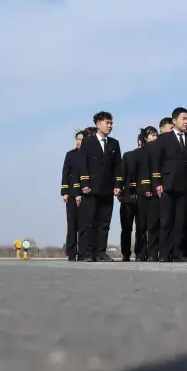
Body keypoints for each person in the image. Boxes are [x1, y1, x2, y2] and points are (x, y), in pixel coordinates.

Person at [152, 107, 187, 262]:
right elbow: (156, 162)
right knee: (166, 221)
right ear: (174, 121)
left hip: (185, 186)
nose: (186, 121)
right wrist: (157, 182)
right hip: (167, 185)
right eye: (183, 118)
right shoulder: (164, 138)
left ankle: (179, 253)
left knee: (181, 222)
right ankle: (164, 254)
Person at [76, 112, 122, 262]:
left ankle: (101, 252)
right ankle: (89, 253)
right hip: (91, 188)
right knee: (90, 222)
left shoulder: (114, 143)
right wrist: (84, 184)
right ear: (98, 124)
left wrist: (117, 185)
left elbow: (118, 167)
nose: (110, 126)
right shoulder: (88, 142)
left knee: (104, 222)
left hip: (107, 188)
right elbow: (82, 165)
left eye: (111, 123)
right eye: (107, 123)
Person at [117, 133, 144, 261]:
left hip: (144, 196)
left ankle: (140, 253)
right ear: (140, 141)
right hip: (128, 196)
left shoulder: (151, 156)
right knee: (126, 227)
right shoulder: (128, 156)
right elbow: (121, 174)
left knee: (142, 227)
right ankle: (125, 253)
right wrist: (119, 189)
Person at [60, 129, 85, 261]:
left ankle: (82, 252)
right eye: (77, 139)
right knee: (72, 224)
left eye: (81, 140)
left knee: (83, 225)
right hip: (70, 194)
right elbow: (65, 173)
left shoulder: (87, 155)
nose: (79, 142)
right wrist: (64, 192)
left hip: (84, 194)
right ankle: (71, 252)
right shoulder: (70, 155)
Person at [135, 126, 159, 261]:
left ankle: (153, 253)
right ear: (145, 138)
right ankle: (140, 252)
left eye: (156, 135)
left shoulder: (159, 151)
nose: (155, 138)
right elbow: (140, 171)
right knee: (141, 224)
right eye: (152, 135)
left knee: (154, 224)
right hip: (143, 191)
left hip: (156, 191)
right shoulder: (140, 152)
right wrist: (145, 188)